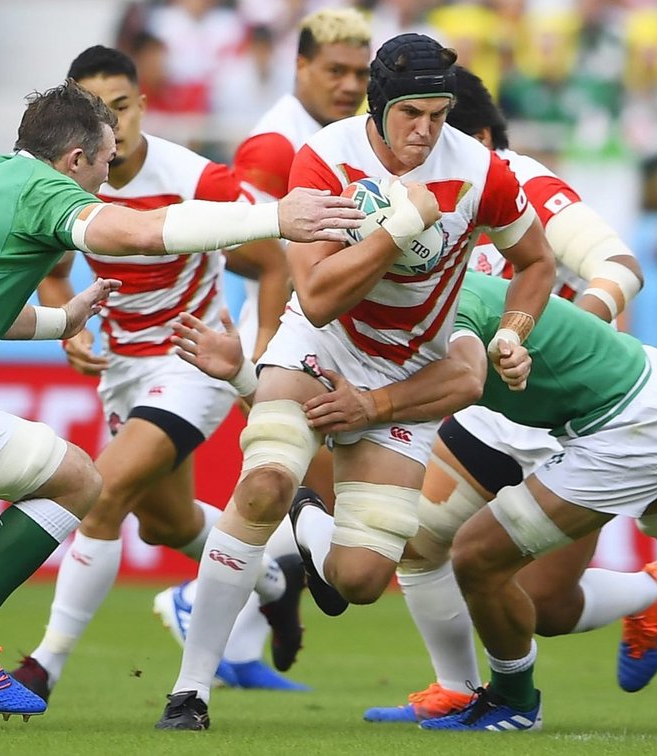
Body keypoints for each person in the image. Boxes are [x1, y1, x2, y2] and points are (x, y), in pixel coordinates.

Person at [0, 79, 363, 721]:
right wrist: (273, 217)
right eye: (104, 161)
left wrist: (59, 323)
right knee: (79, 480)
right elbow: (136, 232)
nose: (109, 174)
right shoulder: (45, 190)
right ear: (75, 158)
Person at [155, 33, 558, 731]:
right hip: (320, 347)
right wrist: (398, 227)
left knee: (362, 582)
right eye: (412, 114)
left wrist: (513, 332)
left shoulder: (481, 172)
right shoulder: (325, 158)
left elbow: (537, 261)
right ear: (378, 107)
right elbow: (313, 297)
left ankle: (309, 520)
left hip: (409, 369)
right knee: (260, 484)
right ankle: (190, 693)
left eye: (439, 114)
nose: (427, 131)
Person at [305, 271, 657, 732]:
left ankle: (514, 703)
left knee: (478, 557)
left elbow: (463, 378)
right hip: (648, 386)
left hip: (625, 425)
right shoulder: (426, 290)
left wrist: (368, 406)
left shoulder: (445, 305)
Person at [360, 66, 657, 723]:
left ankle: (648, 590)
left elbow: (619, 266)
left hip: (570, 420)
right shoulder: (411, 199)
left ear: (475, 135)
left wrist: (560, 332)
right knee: (416, 540)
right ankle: (461, 692)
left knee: (547, 608)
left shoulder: (525, 184)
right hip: (489, 415)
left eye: (436, 131)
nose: (419, 148)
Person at [10, 46, 304, 701]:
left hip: (192, 360)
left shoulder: (194, 177)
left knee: (101, 491)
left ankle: (43, 664)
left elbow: (273, 259)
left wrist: (253, 364)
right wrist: (71, 329)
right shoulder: (67, 181)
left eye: (122, 106)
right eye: (98, 112)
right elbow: (55, 277)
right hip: (122, 368)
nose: (114, 122)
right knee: (167, 525)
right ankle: (276, 581)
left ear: (141, 105)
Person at [152, 5, 373, 664]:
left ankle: (235, 634)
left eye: (359, 72)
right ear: (300, 66)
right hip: (282, 333)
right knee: (305, 490)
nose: (348, 84)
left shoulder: (350, 133)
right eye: (334, 70)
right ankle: (203, 602)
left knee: (300, 494)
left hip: (332, 331)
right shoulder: (276, 145)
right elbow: (252, 248)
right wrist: (270, 354)